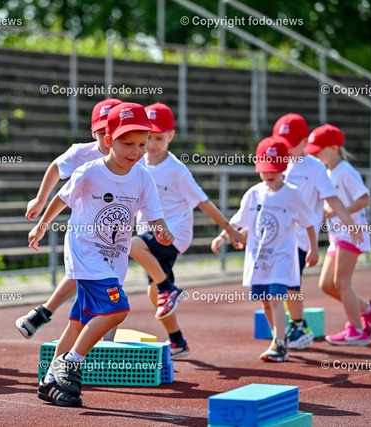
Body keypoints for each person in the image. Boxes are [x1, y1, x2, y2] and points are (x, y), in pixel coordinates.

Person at [29, 102, 174, 406]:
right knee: (117, 309)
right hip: (86, 253)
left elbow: (154, 215)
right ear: (109, 141)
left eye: (142, 144)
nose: (136, 151)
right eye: (127, 144)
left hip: (113, 259)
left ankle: (49, 381)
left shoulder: (142, 177)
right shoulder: (89, 172)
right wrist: (42, 226)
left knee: (80, 322)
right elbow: (61, 199)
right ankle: (72, 362)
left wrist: (162, 230)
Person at [130, 103, 245, 358]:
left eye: (159, 138)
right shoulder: (136, 163)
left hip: (174, 233)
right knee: (155, 293)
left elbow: (203, 202)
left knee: (134, 246)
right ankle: (178, 341)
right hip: (150, 232)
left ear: (171, 135)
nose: (152, 144)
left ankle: (168, 289)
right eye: (148, 137)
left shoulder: (177, 170)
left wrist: (230, 230)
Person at [16, 98, 122, 339]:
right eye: (102, 133)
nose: (109, 139)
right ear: (93, 133)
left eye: (115, 132)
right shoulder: (83, 155)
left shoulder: (131, 159)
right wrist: (40, 200)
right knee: (95, 282)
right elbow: (56, 169)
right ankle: (48, 316)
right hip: (83, 233)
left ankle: (45, 314)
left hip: (115, 237)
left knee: (108, 285)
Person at [212, 136, 318, 362]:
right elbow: (238, 220)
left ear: (284, 166)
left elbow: (309, 222)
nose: (270, 174)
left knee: (276, 297)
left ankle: (278, 343)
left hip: (282, 258)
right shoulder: (254, 193)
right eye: (265, 169)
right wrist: (222, 236)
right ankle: (278, 338)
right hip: (259, 259)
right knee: (266, 302)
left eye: (275, 169)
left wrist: (313, 249)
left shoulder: (292, 193)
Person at [272, 114, 362, 350]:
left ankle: (298, 325)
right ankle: (287, 328)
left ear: (304, 142)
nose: (286, 149)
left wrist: (350, 224)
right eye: (282, 143)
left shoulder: (315, 168)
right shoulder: (279, 163)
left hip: (301, 238)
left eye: (291, 144)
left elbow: (333, 199)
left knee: (291, 283)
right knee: (277, 285)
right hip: (277, 237)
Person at [303, 124, 371, 345]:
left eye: (319, 150)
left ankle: (356, 331)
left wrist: (338, 210)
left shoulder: (345, 171)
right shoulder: (327, 173)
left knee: (342, 282)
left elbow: (364, 199)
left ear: (334, 148)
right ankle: (369, 310)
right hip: (337, 236)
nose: (315, 155)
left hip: (352, 233)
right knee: (326, 284)